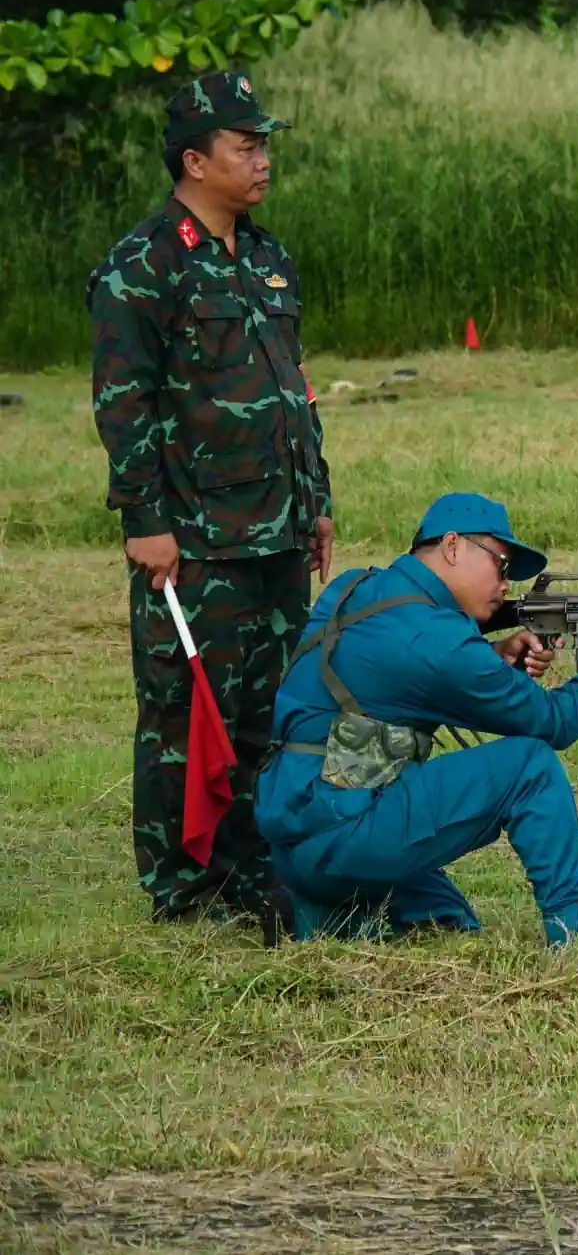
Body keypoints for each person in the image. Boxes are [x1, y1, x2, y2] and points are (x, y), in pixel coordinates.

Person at [88, 72, 334, 929]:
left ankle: (253, 870)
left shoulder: (267, 258)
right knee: (186, 713)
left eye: (264, 145)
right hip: (195, 540)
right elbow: (123, 404)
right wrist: (145, 520)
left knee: (270, 712)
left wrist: (316, 498)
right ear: (195, 160)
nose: (263, 160)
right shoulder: (143, 266)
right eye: (246, 146)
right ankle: (183, 888)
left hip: (277, 530)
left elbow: (292, 386)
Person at [256, 494, 578, 945]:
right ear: (452, 546)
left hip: (291, 833)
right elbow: (556, 721)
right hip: (345, 834)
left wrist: (492, 654)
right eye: (501, 565)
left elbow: (387, 676)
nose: (505, 586)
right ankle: (573, 928)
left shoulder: (354, 586)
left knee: (448, 920)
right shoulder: (440, 643)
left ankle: (316, 914)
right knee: (529, 765)